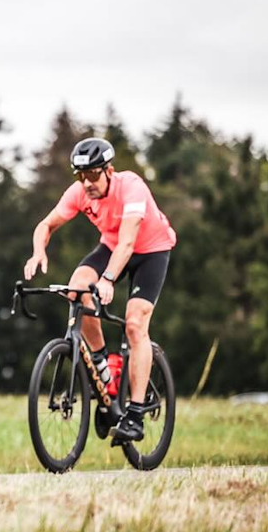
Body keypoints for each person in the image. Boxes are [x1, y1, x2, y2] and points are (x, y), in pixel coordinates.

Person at [23, 137, 177, 443]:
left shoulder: (131, 187)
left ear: (109, 170)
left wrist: (107, 280)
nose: (87, 182)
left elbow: (129, 242)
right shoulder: (80, 192)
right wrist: (38, 251)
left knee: (135, 323)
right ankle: (103, 367)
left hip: (151, 251)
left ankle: (134, 414)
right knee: (76, 289)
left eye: (93, 174)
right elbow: (46, 224)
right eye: (81, 175)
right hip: (111, 245)